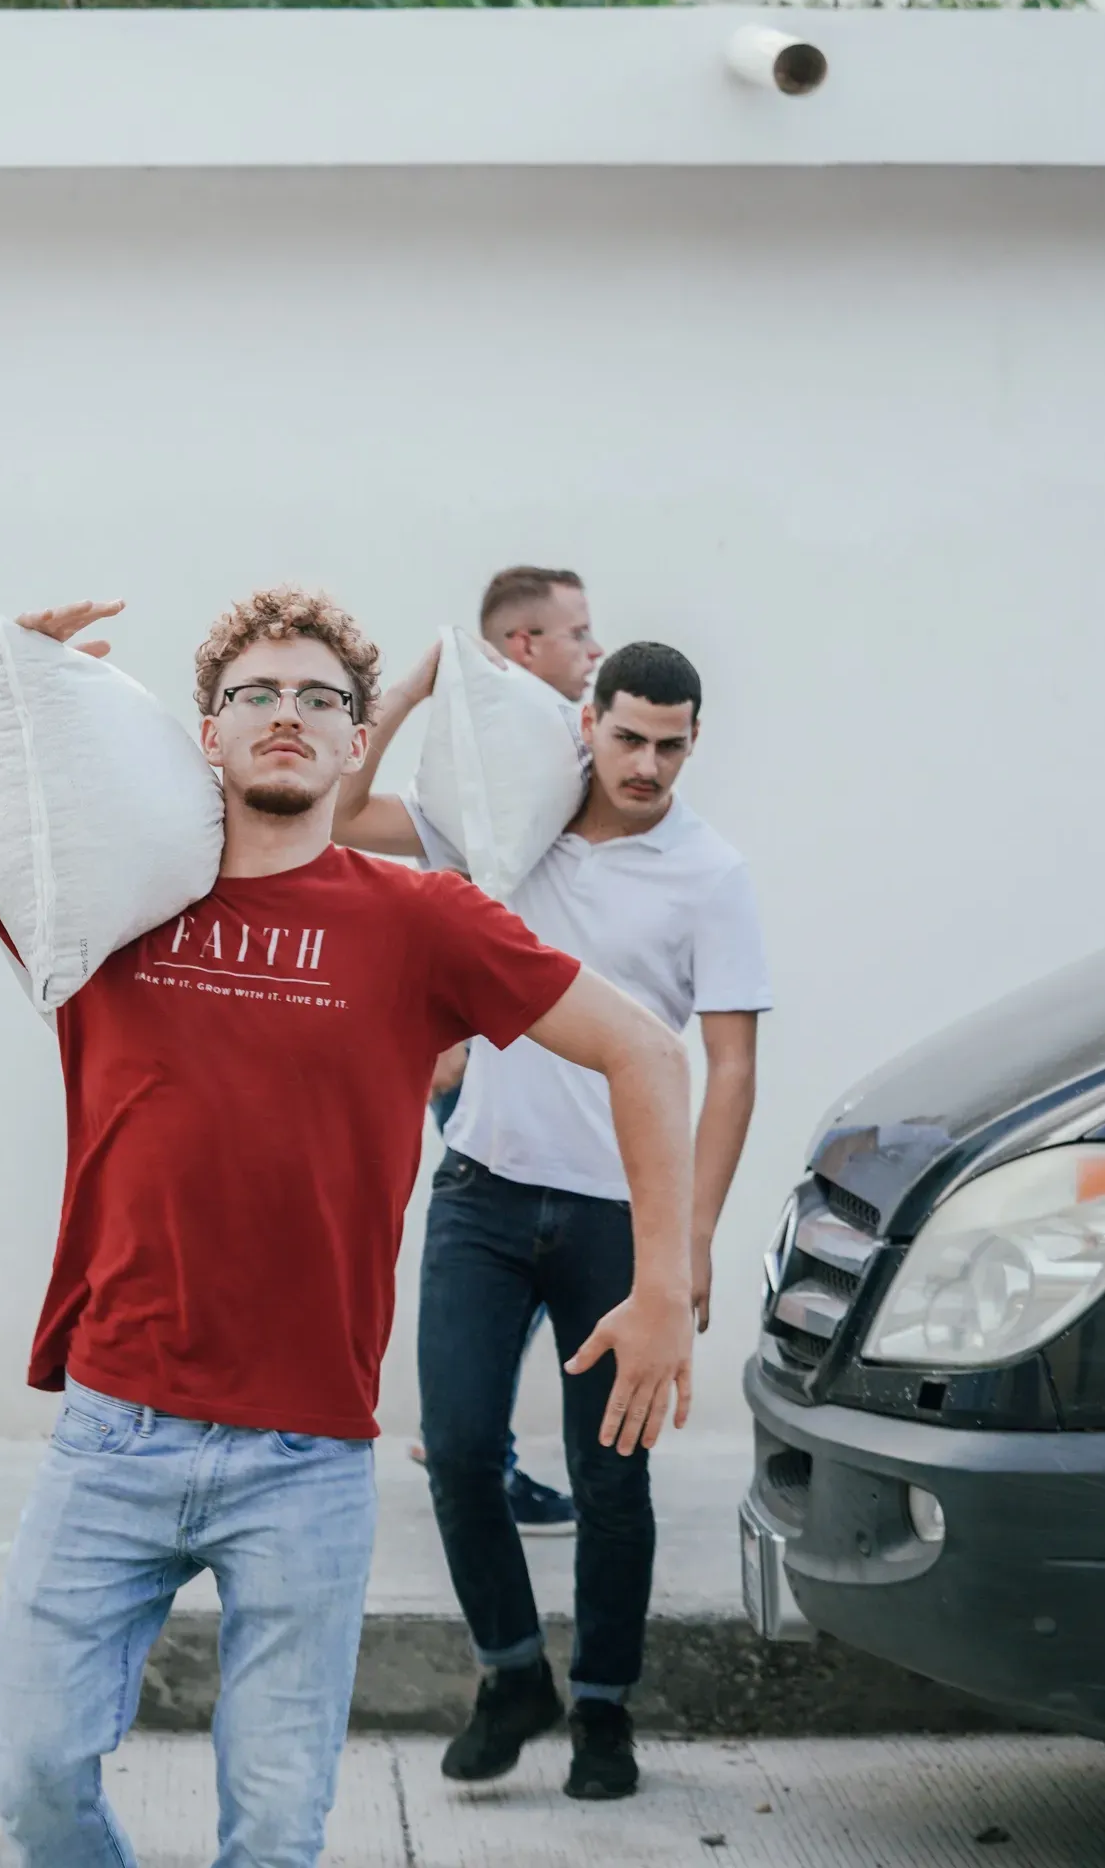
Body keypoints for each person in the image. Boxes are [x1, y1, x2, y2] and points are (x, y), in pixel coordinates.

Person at [0, 588, 696, 1868]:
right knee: (32, 1772)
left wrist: (662, 1274)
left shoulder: (420, 920)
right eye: (258, 695)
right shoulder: (109, 894)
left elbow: (647, 1051)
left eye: (321, 698)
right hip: (113, 1430)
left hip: (308, 1458)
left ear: (355, 740)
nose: (289, 714)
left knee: (276, 1831)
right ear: (208, 734)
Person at [334, 639, 770, 1802]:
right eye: (629, 736)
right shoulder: (507, 824)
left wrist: (688, 1243)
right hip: (480, 1187)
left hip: (621, 1217)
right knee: (462, 1449)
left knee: (610, 1476)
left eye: (672, 745)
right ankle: (513, 1670)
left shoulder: (709, 873)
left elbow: (729, 1068)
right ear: (588, 721)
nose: (649, 764)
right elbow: (334, 814)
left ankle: (607, 1711)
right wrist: (414, 687)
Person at [416, 564, 604, 1534]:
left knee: (519, 1258)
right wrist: (447, 1031)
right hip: (499, 1053)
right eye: (578, 633)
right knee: (507, 1254)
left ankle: (466, 1429)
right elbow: (457, 889)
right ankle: (468, 1436)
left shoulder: (534, 739)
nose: (595, 650)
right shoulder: (510, 743)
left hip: (541, 1049)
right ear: (523, 646)